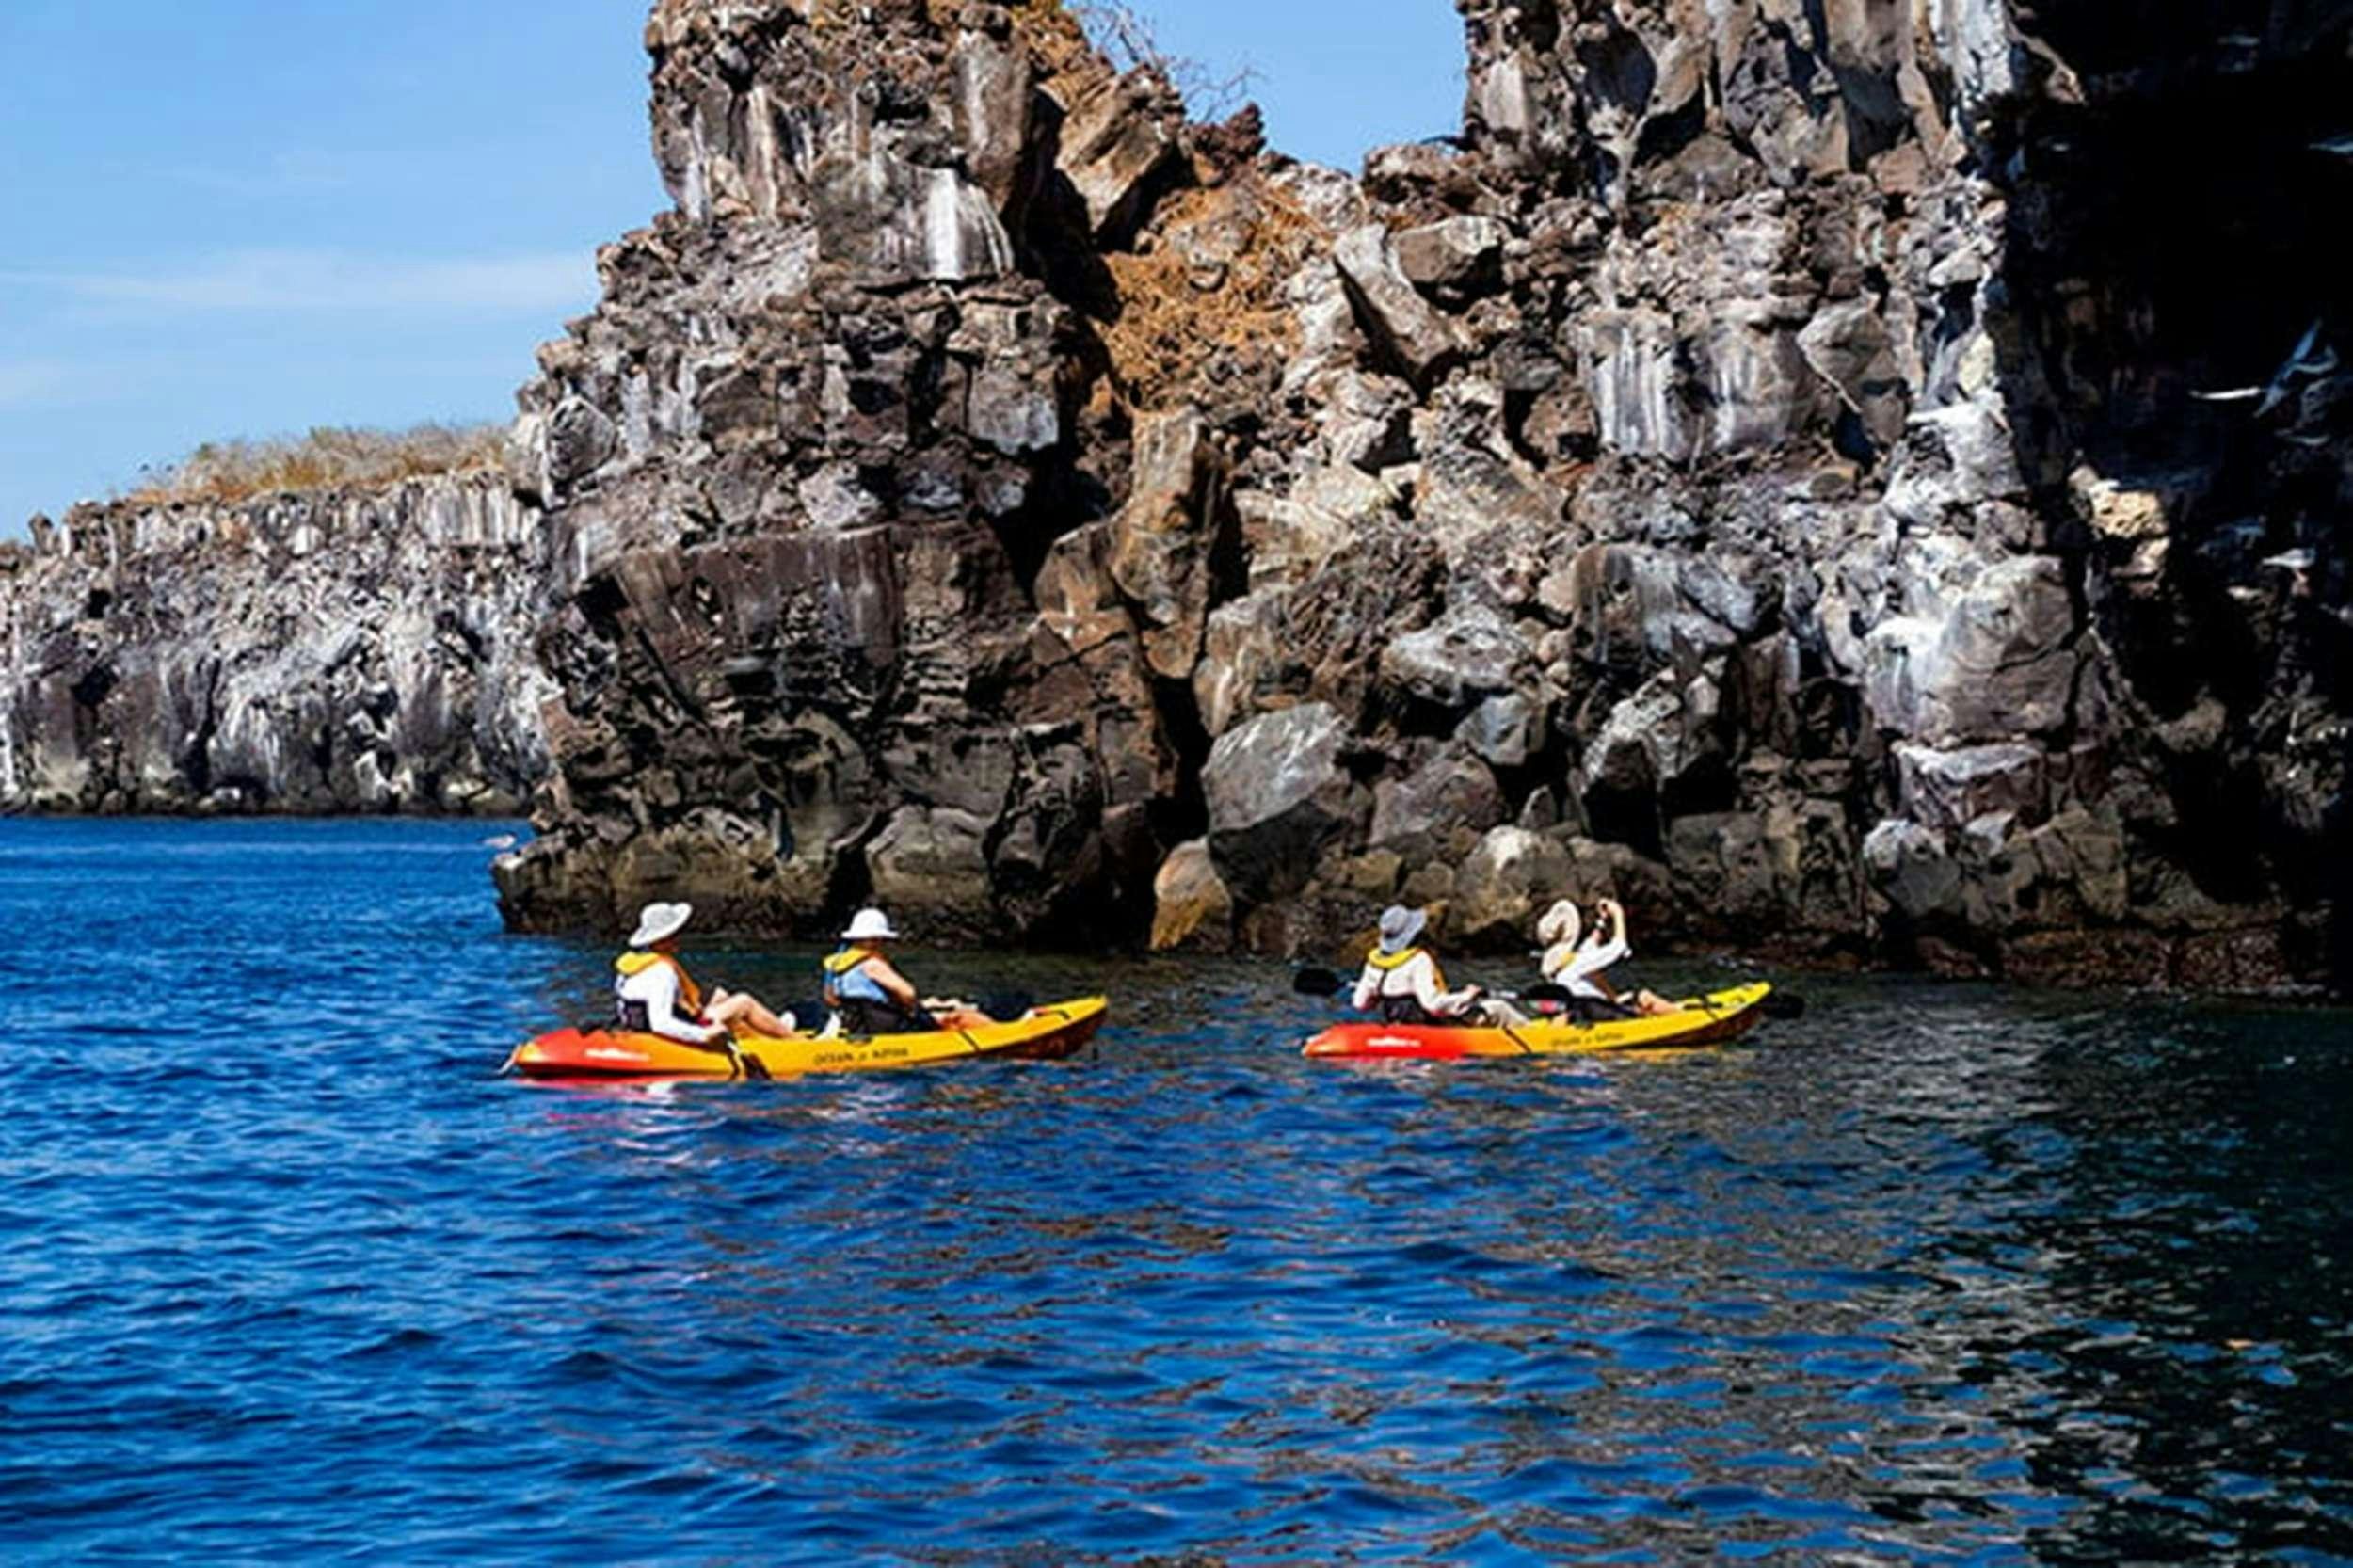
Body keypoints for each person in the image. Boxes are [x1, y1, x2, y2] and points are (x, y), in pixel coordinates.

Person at [614, 902, 797, 1046]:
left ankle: (764, 1034)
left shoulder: (631, 965)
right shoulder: (662, 972)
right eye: (674, 933)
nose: (679, 937)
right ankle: (794, 1040)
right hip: (666, 1030)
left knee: (721, 995)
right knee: (744, 1002)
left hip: (637, 1026)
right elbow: (660, 1023)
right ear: (663, 938)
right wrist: (704, 1035)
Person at [822, 908, 992, 1036]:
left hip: (858, 1026)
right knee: (960, 1016)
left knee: (939, 1007)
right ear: (876, 938)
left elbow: (831, 998)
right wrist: (913, 1009)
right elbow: (908, 993)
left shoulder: (837, 964)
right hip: (887, 1027)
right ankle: (1001, 1036)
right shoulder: (872, 964)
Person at [1536, 897, 1675, 1018]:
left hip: (1593, 1010)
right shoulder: (1577, 963)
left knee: (1629, 997)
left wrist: (1602, 920)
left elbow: (1590, 945)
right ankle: (1681, 1016)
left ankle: (1676, 1012)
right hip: (1601, 1015)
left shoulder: (1563, 965)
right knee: (1643, 996)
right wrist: (1618, 913)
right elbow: (1619, 947)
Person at [1350, 904, 1484, 1025]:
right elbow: (1432, 1005)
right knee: (1496, 1010)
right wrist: (1467, 995)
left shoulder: (1374, 962)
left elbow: (1360, 1004)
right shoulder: (1418, 960)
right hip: (1424, 1025)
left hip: (1392, 1020)